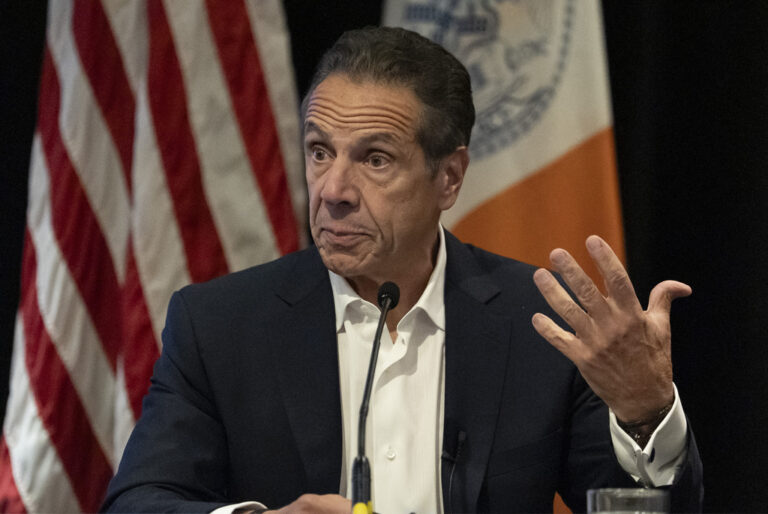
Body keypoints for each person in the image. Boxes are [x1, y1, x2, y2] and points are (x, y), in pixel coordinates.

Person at [102, 26, 702, 513]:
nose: (332, 190)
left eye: (375, 159)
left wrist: (645, 413)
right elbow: (138, 501)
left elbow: (644, 509)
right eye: (319, 151)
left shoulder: (541, 326)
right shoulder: (219, 326)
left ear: (449, 177)